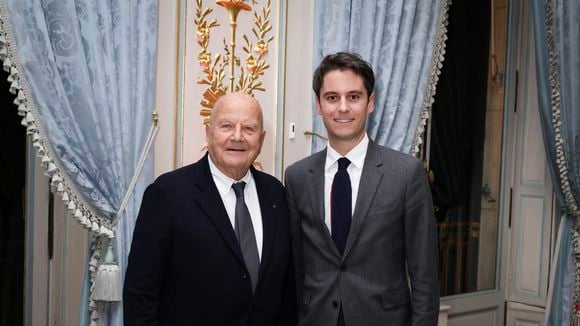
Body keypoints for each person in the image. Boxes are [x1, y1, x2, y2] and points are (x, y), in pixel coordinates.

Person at [284, 52, 439, 326]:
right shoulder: (297, 177)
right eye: (332, 97)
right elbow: (296, 269)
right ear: (319, 105)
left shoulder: (405, 173)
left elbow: (424, 272)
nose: (342, 107)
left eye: (353, 97)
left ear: (371, 103)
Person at [124, 92, 296, 326]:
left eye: (249, 128)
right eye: (226, 126)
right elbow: (140, 296)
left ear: (262, 139)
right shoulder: (168, 194)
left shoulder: (276, 194)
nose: (237, 137)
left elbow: (286, 291)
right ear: (208, 132)